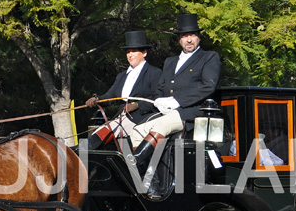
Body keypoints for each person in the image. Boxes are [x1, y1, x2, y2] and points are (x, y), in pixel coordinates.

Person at [129, 14, 221, 173]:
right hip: (167, 112)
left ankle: (133, 162)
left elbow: (208, 86)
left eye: (192, 35)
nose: (189, 39)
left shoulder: (209, 57)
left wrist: (176, 101)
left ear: (198, 37)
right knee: (136, 131)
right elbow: (159, 88)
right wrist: (160, 102)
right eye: (185, 36)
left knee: (161, 125)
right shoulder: (170, 62)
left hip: (193, 112)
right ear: (179, 39)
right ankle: (146, 176)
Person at [85, 31, 162, 149]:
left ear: (144, 53)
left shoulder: (154, 73)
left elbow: (157, 99)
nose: (130, 54)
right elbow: (110, 96)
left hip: (141, 118)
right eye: (128, 52)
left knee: (110, 129)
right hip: (120, 117)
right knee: (102, 129)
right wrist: (97, 100)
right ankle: (84, 151)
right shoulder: (122, 76)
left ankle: (83, 149)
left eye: (134, 51)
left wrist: (137, 105)